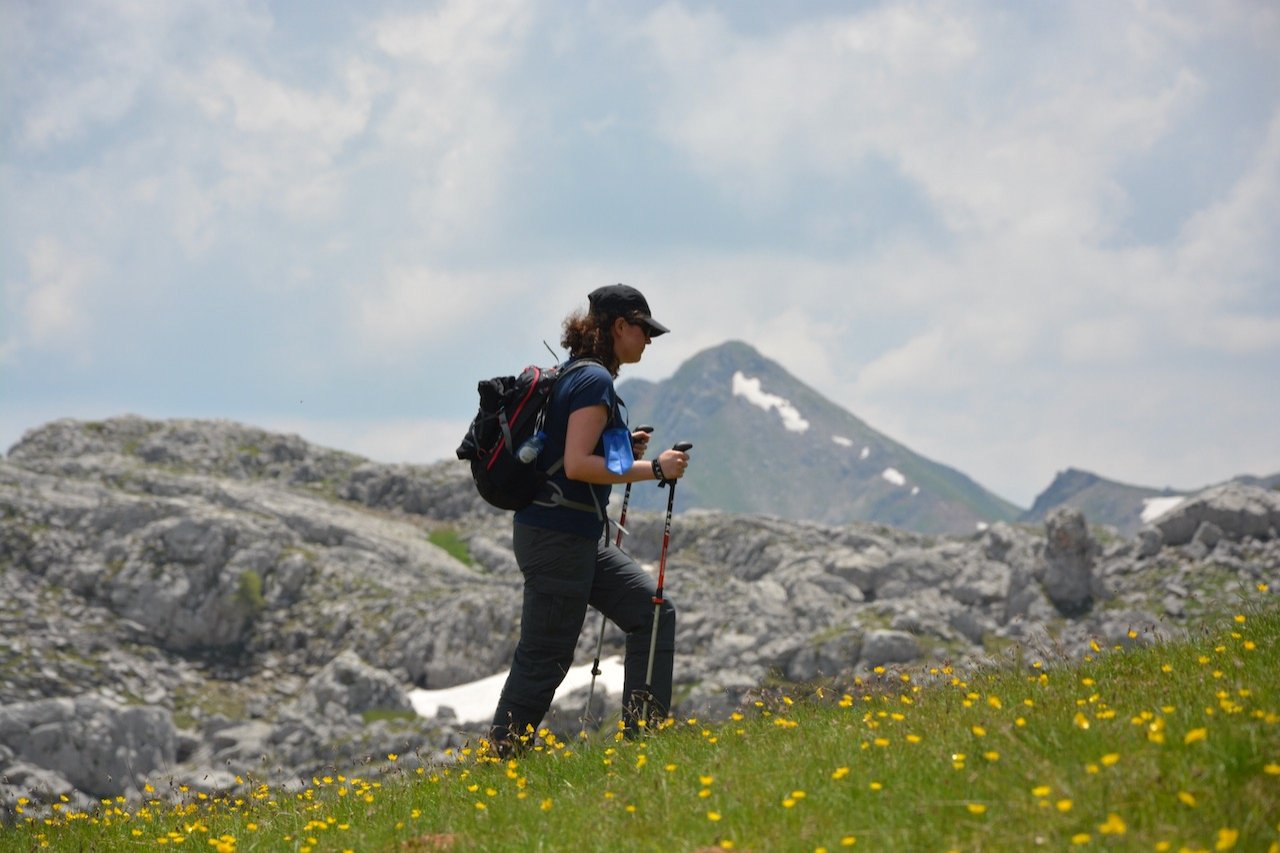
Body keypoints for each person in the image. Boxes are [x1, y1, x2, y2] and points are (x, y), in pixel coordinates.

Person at [488, 284, 690, 755]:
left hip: (571, 537)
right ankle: (499, 761)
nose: (649, 340)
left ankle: (644, 744)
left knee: (652, 612)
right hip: (558, 539)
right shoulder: (594, 380)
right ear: (620, 327)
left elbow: (593, 460)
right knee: (544, 657)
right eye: (644, 330)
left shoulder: (580, 375)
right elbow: (578, 465)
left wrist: (626, 449)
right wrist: (658, 468)